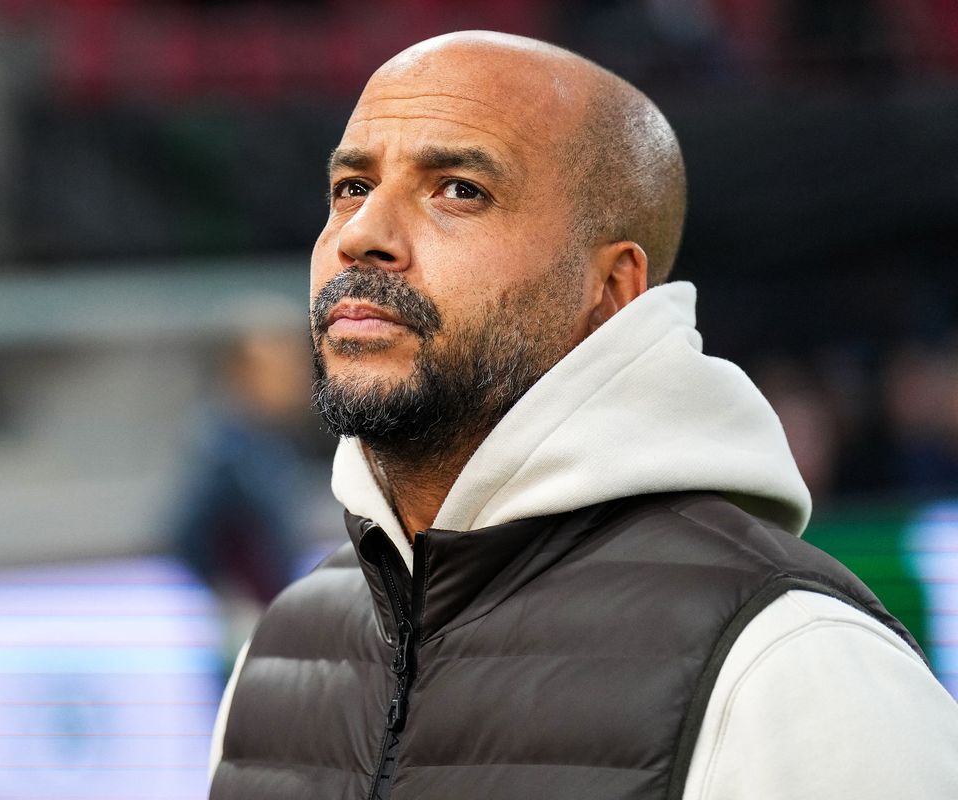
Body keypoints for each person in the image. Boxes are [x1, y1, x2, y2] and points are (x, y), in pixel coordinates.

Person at [207, 31, 958, 799]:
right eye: (352, 188)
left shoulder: (794, 671)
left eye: (459, 189)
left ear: (610, 291)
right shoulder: (276, 657)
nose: (363, 234)